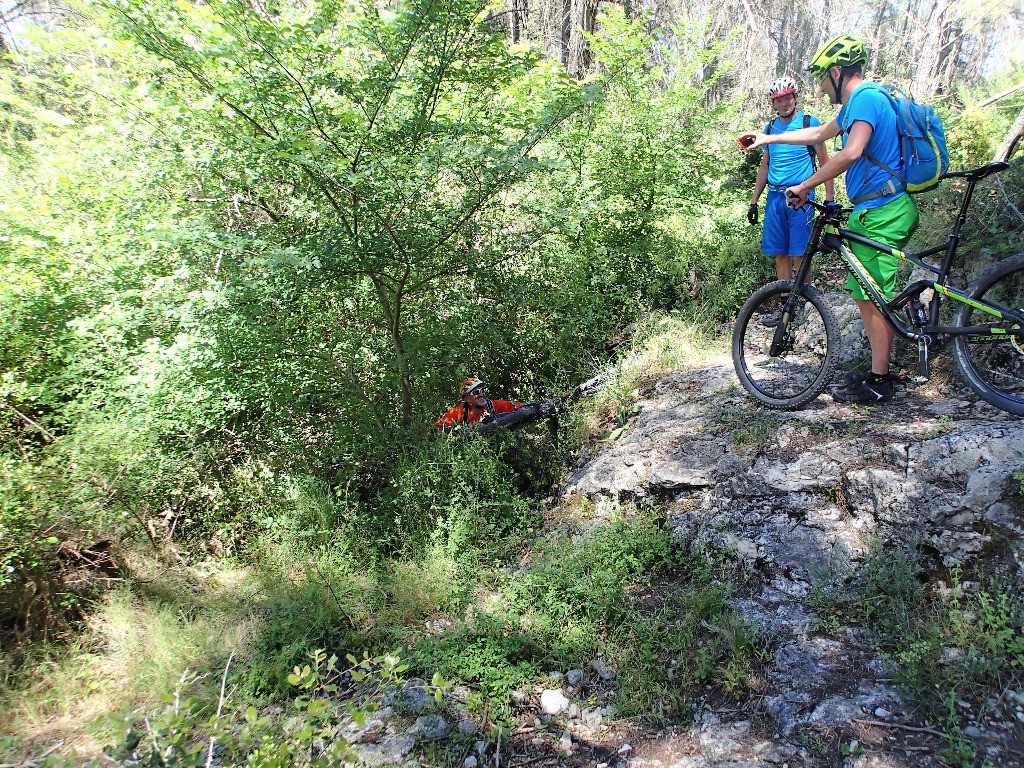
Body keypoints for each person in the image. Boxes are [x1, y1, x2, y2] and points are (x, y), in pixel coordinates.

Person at [739, 34, 920, 404]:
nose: (821, 89)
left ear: (837, 72)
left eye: (823, 78)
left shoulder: (866, 99)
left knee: (874, 296)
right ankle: (879, 371)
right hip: (873, 209)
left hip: (884, 210)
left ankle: (881, 381)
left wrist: (806, 186)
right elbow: (820, 133)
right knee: (868, 295)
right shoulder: (856, 104)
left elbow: (851, 152)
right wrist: (768, 139)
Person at [749, 76, 835, 327]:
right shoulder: (769, 128)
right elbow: (765, 166)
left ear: (795, 98)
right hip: (775, 197)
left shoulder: (809, 123)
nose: (784, 103)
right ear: (773, 103)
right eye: (779, 99)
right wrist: (754, 201)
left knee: (800, 253)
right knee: (780, 254)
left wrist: (829, 198)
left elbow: (825, 162)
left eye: (788, 97)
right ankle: (785, 306)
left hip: (801, 197)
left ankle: (807, 306)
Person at [436, 377, 522, 428]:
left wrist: (524, 408)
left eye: (482, 390)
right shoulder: (459, 413)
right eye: (476, 392)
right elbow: (438, 427)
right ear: (467, 399)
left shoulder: (492, 405)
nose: (481, 394)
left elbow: (516, 406)